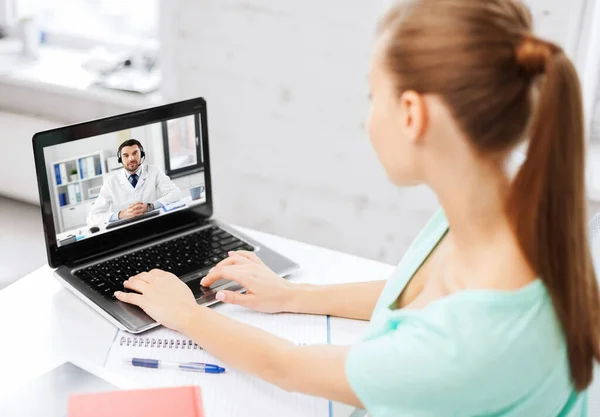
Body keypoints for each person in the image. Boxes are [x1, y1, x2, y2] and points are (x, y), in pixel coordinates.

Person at [113, 0, 600, 415]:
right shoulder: (511, 203)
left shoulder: (466, 342)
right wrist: (293, 296)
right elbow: (412, 292)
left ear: (411, 114)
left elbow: (283, 367)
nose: (368, 118)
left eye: (374, 96)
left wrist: (186, 314)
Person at [87, 139, 181, 226]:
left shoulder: (154, 171)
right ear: (120, 159)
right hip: (125, 231)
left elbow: (176, 193)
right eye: (126, 155)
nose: (131, 158)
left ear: (142, 154)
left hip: (153, 224)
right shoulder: (110, 182)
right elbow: (92, 218)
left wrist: (150, 206)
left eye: (135, 153)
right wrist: (121, 214)